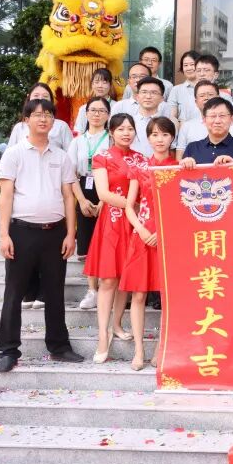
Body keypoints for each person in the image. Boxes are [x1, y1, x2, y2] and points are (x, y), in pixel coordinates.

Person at [0, 97, 83, 373]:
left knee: (55, 291)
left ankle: (59, 346)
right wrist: (4, 235)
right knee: (14, 292)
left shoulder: (61, 156)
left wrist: (71, 233)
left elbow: (68, 197)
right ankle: (8, 350)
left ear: (54, 121)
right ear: (26, 120)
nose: (43, 119)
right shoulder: (14, 154)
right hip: (22, 232)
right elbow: (5, 196)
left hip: (55, 233)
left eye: (48, 115)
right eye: (37, 114)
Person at [86, 113, 146, 363]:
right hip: (112, 222)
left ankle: (118, 323)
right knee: (109, 278)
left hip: (135, 223)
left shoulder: (141, 159)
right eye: (120, 129)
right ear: (111, 131)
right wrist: (132, 206)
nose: (126, 133)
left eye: (130, 129)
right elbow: (103, 193)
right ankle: (103, 334)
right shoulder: (102, 157)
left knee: (125, 277)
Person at [121, 116, 176, 370]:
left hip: (169, 238)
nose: (160, 139)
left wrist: (164, 232)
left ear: (172, 138)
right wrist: (141, 230)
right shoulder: (140, 168)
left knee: (168, 296)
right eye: (154, 134)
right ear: (148, 138)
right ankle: (139, 351)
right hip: (142, 235)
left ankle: (161, 349)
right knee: (139, 294)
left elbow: (182, 209)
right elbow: (129, 206)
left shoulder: (178, 168)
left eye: (164, 134)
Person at [67, 95, 110, 310]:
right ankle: (92, 290)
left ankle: (107, 288)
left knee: (106, 242)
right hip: (84, 188)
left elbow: (116, 171)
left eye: (101, 111)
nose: (97, 114)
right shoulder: (77, 141)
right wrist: (82, 200)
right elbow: (70, 174)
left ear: (108, 115)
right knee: (88, 244)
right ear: (86, 113)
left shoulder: (112, 139)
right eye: (93, 110)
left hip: (108, 190)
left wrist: (104, 200)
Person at [181, 97, 233, 167]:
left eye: (222, 116)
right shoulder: (192, 148)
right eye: (212, 116)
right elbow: (181, 177)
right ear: (204, 120)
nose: (217, 121)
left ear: (232, 119)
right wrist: (184, 166)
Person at [9, 83, 72, 154]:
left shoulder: (62, 126)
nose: (40, 99)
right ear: (29, 98)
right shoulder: (19, 127)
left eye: (45, 96)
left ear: (51, 100)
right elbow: (10, 153)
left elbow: (70, 155)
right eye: (36, 96)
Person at [122, 77, 170, 156]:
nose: (148, 96)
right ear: (137, 97)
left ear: (162, 99)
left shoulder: (168, 123)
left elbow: (172, 151)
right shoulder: (128, 122)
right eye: (144, 92)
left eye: (154, 92)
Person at [175, 80, 219, 159]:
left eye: (210, 94)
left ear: (218, 98)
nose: (206, 98)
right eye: (202, 96)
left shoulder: (229, 124)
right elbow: (179, 157)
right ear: (196, 102)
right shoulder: (187, 126)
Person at [73, 68, 115, 133]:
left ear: (110, 85)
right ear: (92, 84)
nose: (100, 86)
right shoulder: (84, 108)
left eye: (104, 82)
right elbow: (79, 131)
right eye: (96, 82)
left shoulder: (117, 106)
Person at [166, 51, 202, 122]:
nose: (189, 68)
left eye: (192, 64)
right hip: (183, 127)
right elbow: (172, 117)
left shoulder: (209, 89)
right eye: (185, 65)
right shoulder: (176, 90)